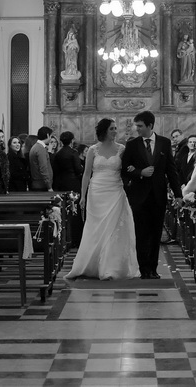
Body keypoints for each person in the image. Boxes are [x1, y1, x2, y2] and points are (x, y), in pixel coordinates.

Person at [65, 118, 140, 280]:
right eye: (112, 128)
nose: (115, 131)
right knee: (95, 228)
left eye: (115, 128)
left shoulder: (122, 149)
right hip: (97, 191)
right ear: (104, 130)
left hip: (115, 190)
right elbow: (86, 174)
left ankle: (111, 267)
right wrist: (83, 196)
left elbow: (127, 169)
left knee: (114, 228)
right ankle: (92, 264)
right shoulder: (93, 150)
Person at [121, 110, 182, 279]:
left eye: (140, 126)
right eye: (136, 126)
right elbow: (125, 169)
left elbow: (171, 170)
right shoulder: (133, 145)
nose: (137, 129)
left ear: (150, 126)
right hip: (139, 196)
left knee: (155, 234)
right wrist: (140, 172)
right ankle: (143, 268)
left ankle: (153, 269)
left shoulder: (164, 143)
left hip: (158, 195)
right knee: (141, 233)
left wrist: (178, 194)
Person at [28, 126, 53, 191]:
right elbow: (43, 168)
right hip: (41, 185)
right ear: (47, 135)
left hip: (38, 183)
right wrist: (49, 186)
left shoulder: (36, 147)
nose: (50, 139)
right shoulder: (40, 149)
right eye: (51, 136)